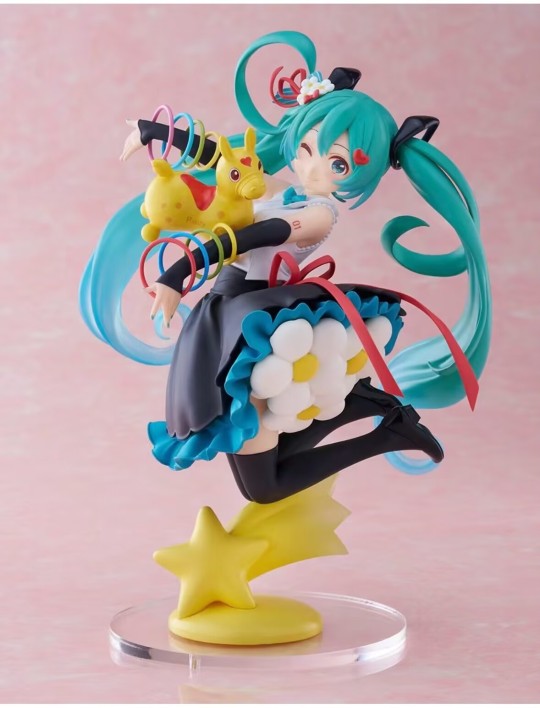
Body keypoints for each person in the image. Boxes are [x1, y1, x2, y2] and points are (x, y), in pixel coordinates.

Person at [80, 31, 491, 504]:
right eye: (309, 148)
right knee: (259, 468)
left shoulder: (319, 213)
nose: (314, 168)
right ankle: (368, 409)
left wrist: (179, 273)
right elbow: (225, 160)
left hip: (253, 321)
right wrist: (158, 133)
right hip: (226, 314)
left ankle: (387, 431)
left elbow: (256, 236)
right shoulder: (281, 189)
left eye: (338, 164)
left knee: (263, 486)